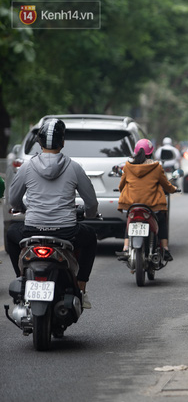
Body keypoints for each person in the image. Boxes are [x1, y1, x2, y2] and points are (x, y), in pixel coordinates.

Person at [7, 118, 99, 308]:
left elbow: (13, 200)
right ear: (62, 142)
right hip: (66, 232)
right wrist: (89, 214)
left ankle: (21, 278)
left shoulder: (26, 167)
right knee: (90, 238)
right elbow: (91, 202)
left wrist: (24, 209)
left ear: (39, 143)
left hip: (31, 230)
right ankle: (81, 284)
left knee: (11, 234)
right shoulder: (74, 167)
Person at [117, 139, 177, 262]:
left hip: (132, 204)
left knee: (129, 221)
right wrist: (174, 189)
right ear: (150, 153)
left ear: (135, 152)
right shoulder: (156, 167)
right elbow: (166, 185)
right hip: (152, 206)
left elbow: (121, 186)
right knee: (162, 220)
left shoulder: (128, 167)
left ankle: (125, 247)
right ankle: (165, 248)